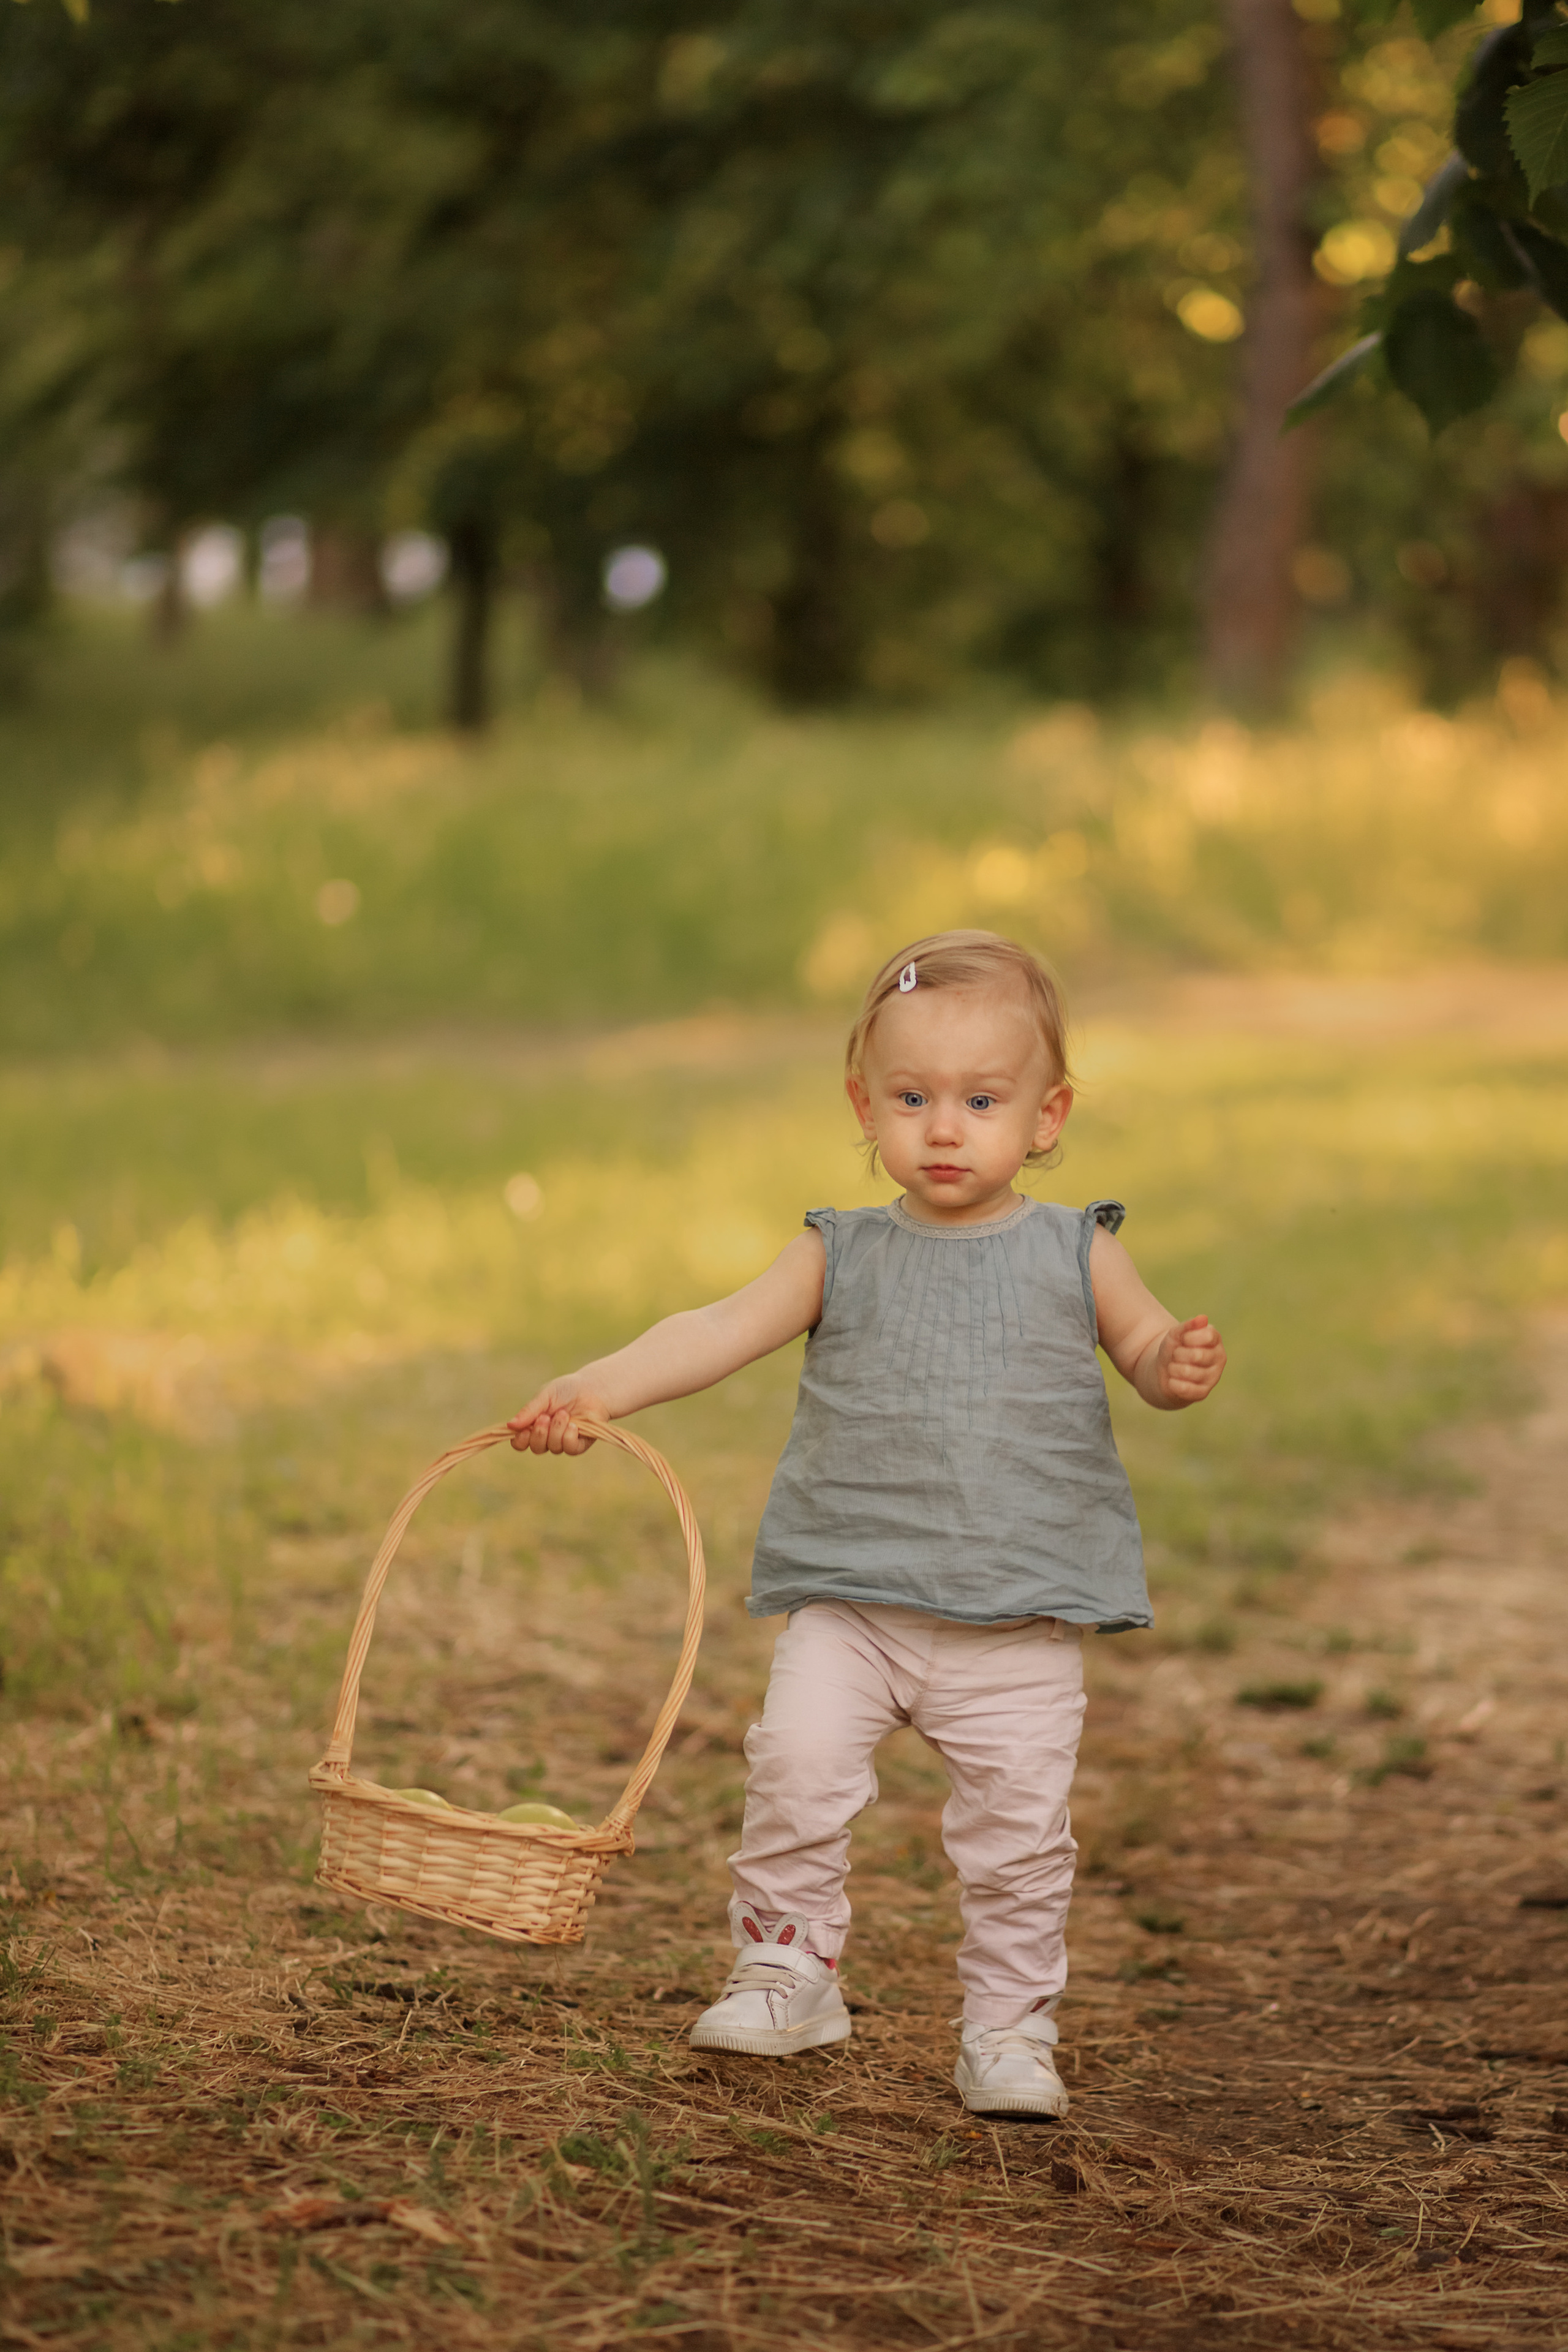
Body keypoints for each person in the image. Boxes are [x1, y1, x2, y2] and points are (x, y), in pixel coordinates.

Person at [508, 930, 1226, 2118]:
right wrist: (596, 1389)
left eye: (980, 1100)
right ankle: (789, 1963)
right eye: (911, 1098)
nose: (943, 1129)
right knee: (791, 1766)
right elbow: (712, 1328)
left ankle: (1005, 2026)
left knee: (1015, 1837)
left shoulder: (1075, 1250)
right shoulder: (836, 1250)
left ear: (1045, 1117)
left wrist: (1169, 1363)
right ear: (863, 1104)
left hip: (1017, 1619)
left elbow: (1143, 1349)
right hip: (850, 1601)